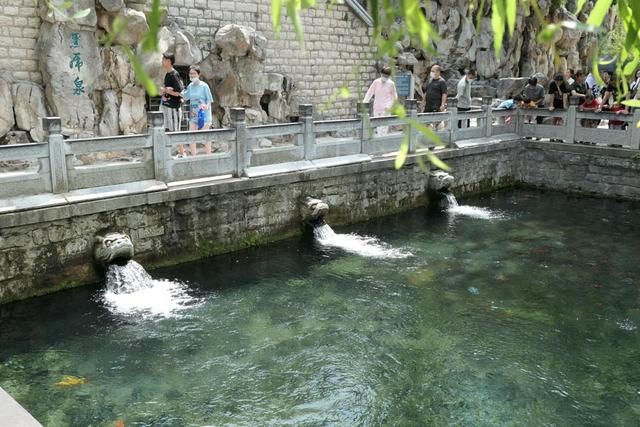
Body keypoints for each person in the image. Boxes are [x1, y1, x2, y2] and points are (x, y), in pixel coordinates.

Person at [181, 65, 214, 156]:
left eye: (194, 73)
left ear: (198, 74)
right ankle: (194, 157)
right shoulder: (190, 86)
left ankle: (209, 156)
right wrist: (179, 92)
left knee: (205, 138)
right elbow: (185, 96)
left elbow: (209, 100)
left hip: (204, 116)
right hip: (193, 115)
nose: (191, 75)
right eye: (190, 74)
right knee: (192, 137)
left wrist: (206, 106)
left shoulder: (204, 86)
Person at [363, 66, 398, 135]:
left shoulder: (391, 84)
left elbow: (395, 97)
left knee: (384, 128)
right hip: (377, 108)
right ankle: (379, 142)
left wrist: (389, 106)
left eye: (386, 76)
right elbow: (370, 93)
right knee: (378, 127)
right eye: (383, 75)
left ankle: (382, 142)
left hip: (386, 109)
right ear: (381, 74)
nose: (385, 77)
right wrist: (364, 102)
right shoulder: (376, 82)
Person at [159, 52, 184, 133]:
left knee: (174, 133)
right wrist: (165, 90)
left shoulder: (174, 74)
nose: (162, 61)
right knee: (167, 131)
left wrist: (166, 90)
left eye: (164, 59)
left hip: (173, 108)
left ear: (169, 61)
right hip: (166, 106)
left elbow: (179, 92)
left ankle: (179, 146)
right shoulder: (168, 74)